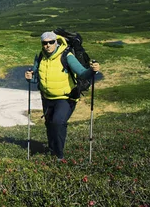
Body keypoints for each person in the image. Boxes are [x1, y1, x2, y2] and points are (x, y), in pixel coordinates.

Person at [24, 31, 100, 161]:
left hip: (66, 97)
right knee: (49, 124)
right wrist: (30, 78)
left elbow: (82, 73)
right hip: (47, 98)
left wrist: (93, 71)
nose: (48, 45)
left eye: (51, 42)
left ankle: (58, 155)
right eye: (45, 43)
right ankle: (52, 149)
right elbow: (37, 78)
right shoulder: (40, 57)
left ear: (56, 42)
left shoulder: (66, 56)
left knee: (58, 122)